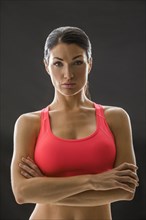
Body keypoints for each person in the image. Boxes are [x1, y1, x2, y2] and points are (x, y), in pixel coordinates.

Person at [10, 26, 139, 220]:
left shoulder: (115, 118)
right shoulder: (29, 123)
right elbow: (22, 193)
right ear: (46, 65)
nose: (68, 74)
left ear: (90, 64)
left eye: (77, 62)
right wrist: (94, 181)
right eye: (58, 64)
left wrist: (45, 187)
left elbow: (126, 190)